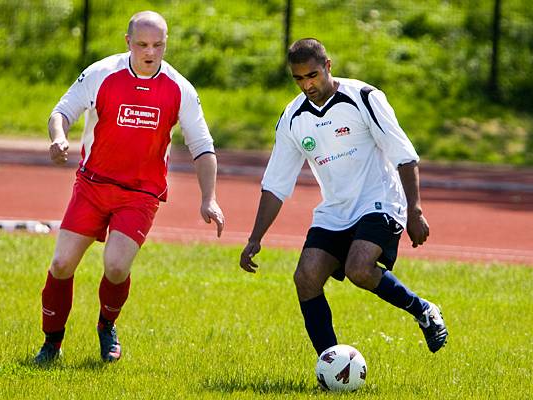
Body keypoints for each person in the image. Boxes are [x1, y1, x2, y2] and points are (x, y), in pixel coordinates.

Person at [34, 10, 224, 364]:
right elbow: (61, 111)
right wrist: (59, 138)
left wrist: (209, 198)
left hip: (140, 193)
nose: (150, 52)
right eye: (142, 44)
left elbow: (202, 145)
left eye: (157, 45)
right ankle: (51, 344)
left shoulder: (179, 88)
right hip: (92, 184)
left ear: (166, 44)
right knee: (61, 264)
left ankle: (107, 326)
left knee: (117, 266)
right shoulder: (102, 73)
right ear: (128, 42)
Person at [239, 38, 448, 361]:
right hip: (335, 210)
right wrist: (255, 238)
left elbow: (404, 155)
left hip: (379, 200)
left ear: (328, 66)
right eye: (299, 79)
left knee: (359, 268)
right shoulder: (293, 118)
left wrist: (414, 210)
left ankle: (423, 310)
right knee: (305, 278)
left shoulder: (364, 97)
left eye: (312, 75)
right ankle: (332, 364)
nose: (307, 85)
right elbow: (276, 183)